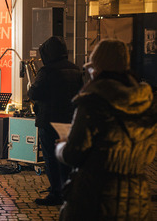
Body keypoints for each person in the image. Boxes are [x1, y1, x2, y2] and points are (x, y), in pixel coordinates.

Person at [55, 40, 157, 220]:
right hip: (136, 197)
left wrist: (61, 146)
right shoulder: (146, 103)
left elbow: (73, 153)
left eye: (92, 69)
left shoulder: (92, 101)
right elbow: (149, 152)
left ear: (99, 69)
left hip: (95, 196)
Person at [27, 36, 83, 206]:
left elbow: (34, 93)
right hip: (69, 120)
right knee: (65, 157)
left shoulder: (47, 71)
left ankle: (56, 193)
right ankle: (68, 190)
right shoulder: (75, 69)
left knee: (51, 158)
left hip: (49, 121)